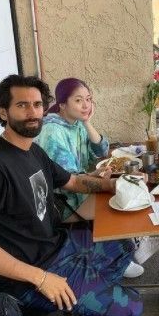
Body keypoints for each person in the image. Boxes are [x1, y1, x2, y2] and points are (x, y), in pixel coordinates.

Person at [0, 75, 142, 316]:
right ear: (2, 112)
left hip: (58, 246)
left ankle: (85, 298)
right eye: (22, 105)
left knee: (125, 242)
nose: (33, 112)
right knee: (130, 308)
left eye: (37, 104)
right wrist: (41, 279)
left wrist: (113, 186)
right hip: (31, 274)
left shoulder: (32, 150)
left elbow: (73, 181)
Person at [35, 77, 143, 278]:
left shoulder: (74, 123)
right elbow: (66, 182)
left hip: (78, 188)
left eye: (88, 99)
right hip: (63, 203)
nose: (86, 105)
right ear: (62, 104)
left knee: (130, 197)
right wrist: (101, 181)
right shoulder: (52, 131)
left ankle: (124, 251)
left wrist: (87, 122)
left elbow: (101, 150)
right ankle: (118, 257)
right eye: (78, 100)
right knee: (121, 202)